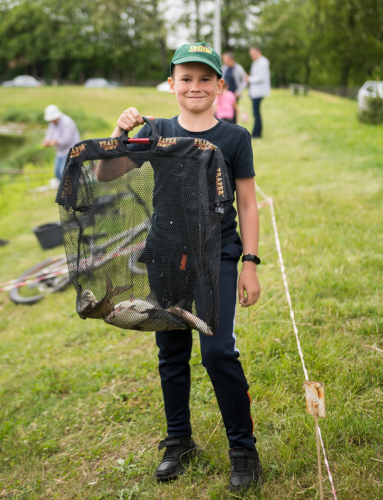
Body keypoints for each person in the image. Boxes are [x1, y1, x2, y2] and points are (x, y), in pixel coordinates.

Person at [101, 42, 262, 493]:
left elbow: (247, 204)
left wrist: (249, 262)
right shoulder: (156, 131)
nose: (195, 87)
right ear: (171, 84)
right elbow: (105, 173)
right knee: (171, 351)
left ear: (219, 85)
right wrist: (120, 131)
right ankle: (179, 442)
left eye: (204, 78)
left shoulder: (235, 138)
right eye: (185, 79)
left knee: (216, 351)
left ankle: (243, 451)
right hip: (167, 254)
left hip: (219, 255)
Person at [42, 105, 80, 181]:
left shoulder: (67, 122)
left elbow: (66, 140)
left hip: (71, 151)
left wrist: (52, 142)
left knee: (64, 172)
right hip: (60, 151)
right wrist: (46, 141)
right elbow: (49, 134)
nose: (51, 121)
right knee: (57, 172)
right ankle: (62, 189)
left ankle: (69, 189)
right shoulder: (52, 123)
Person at [248, 47, 271, 138]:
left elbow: (260, 78)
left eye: (252, 53)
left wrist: (249, 79)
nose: (251, 56)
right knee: (255, 112)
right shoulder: (255, 62)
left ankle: (257, 133)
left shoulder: (263, 62)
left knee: (256, 112)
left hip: (259, 92)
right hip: (254, 92)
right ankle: (256, 131)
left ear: (258, 52)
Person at [222, 52, 247, 124]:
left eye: (225, 59)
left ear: (231, 59)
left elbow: (244, 80)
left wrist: (238, 92)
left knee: (234, 111)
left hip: (234, 94)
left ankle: (234, 126)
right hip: (225, 94)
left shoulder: (238, 68)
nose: (224, 61)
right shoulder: (224, 68)